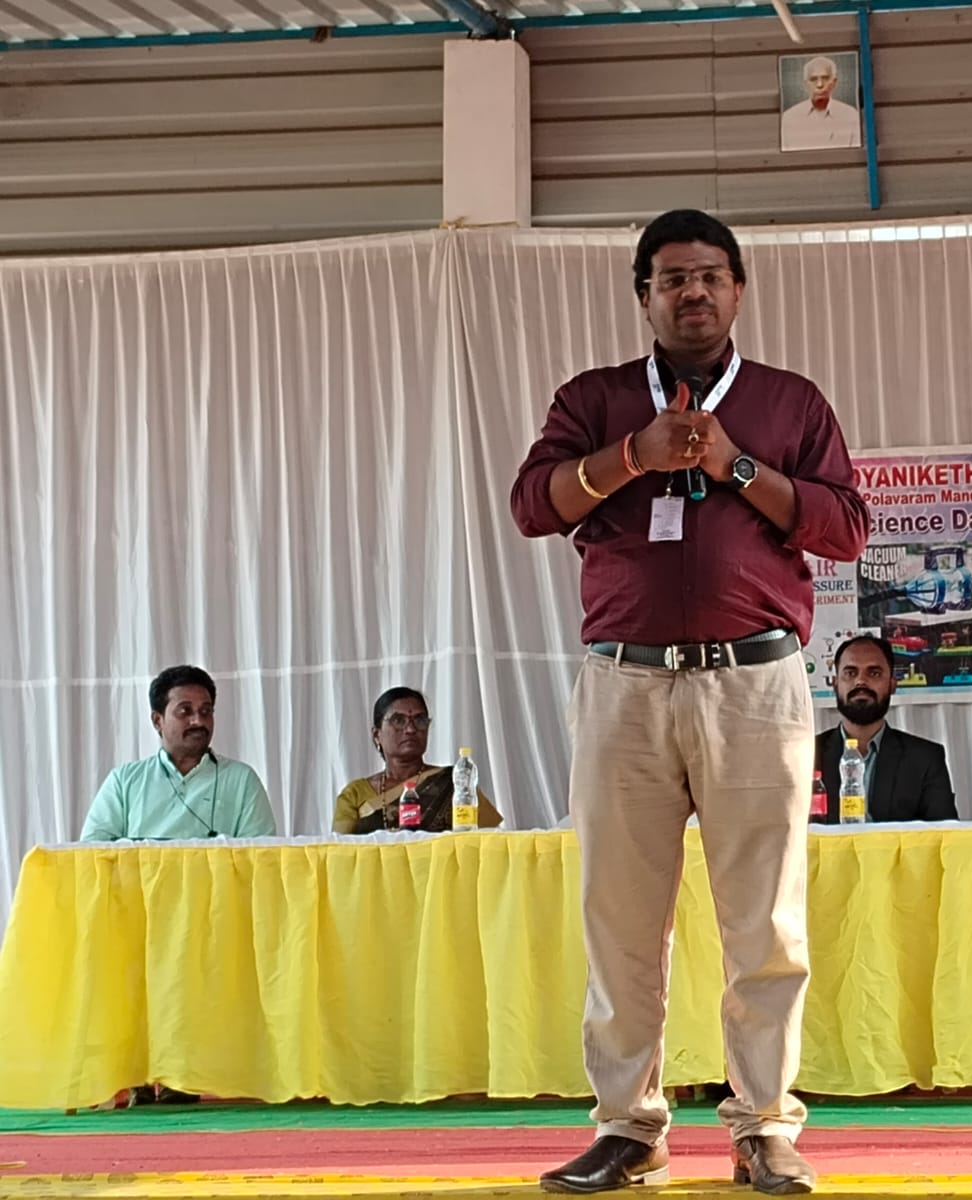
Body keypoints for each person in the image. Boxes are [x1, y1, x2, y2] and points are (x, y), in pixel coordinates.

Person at [510, 208, 868, 1194]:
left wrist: (733, 465)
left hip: (755, 683)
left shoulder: (789, 401)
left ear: (738, 289)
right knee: (620, 920)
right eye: (672, 279)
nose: (693, 292)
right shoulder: (594, 399)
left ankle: (764, 1126)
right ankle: (628, 1127)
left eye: (710, 275)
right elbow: (533, 504)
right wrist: (635, 453)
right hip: (622, 685)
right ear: (644, 296)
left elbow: (843, 528)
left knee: (765, 921)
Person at [81, 665, 276, 841]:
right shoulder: (124, 781)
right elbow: (92, 854)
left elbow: (261, 857)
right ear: (157, 721)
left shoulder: (242, 780)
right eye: (185, 711)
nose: (198, 721)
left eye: (206, 711)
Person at [814, 634, 958, 823]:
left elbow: (944, 835)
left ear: (892, 684)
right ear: (835, 684)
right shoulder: (806, 755)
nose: (860, 681)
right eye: (850, 673)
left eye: (874, 673)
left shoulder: (925, 758)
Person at [333, 686, 503, 833]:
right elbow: (338, 852)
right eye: (398, 720)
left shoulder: (456, 782)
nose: (410, 729)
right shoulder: (354, 795)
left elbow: (489, 842)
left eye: (420, 720)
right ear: (377, 735)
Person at [780, 55, 862, 151]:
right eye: (813, 79)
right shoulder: (789, 119)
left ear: (834, 82)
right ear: (805, 84)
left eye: (825, 78)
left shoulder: (851, 116)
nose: (820, 85)